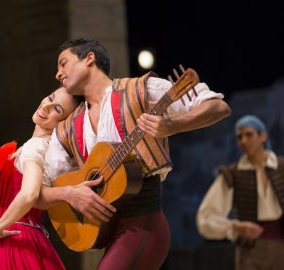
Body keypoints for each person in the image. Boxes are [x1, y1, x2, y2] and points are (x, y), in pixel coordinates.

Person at [34, 38, 231, 270]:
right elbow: (40, 192)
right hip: (110, 230)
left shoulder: (140, 90)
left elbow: (218, 107)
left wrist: (174, 125)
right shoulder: (67, 128)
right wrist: (70, 194)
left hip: (143, 221)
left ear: (89, 58)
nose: (58, 73)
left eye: (63, 63)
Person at [0, 86, 82, 270]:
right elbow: (4, 204)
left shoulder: (36, 146)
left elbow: (29, 196)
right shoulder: (38, 147)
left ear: (64, 122)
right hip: (17, 236)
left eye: (57, 109)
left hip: (14, 240)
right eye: (50, 97)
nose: (46, 106)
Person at [197, 115, 284, 270]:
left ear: (262, 136)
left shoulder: (281, 167)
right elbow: (205, 218)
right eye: (239, 137)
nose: (243, 141)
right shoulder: (233, 174)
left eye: (249, 135)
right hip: (249, 251)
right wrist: (235, 226)